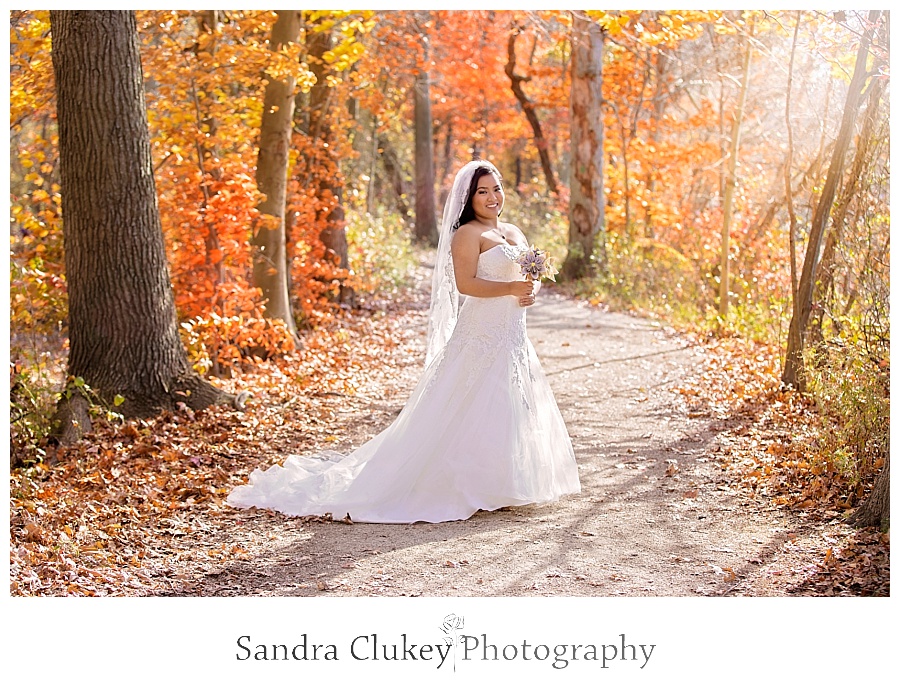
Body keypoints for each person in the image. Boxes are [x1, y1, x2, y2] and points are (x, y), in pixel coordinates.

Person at [227, 160, 580, 523]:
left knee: (510, 400)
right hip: (481, 332)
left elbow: (529, 275)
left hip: (513, 334)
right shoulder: (468, 234)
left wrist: (530, 289)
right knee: (471, 400)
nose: (492, 197)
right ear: (469, 198)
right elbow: (466, 285)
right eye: (482, 191)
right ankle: (464, 484)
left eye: (496, 189)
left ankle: (507, 482)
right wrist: (509, 288)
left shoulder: (515, 231)